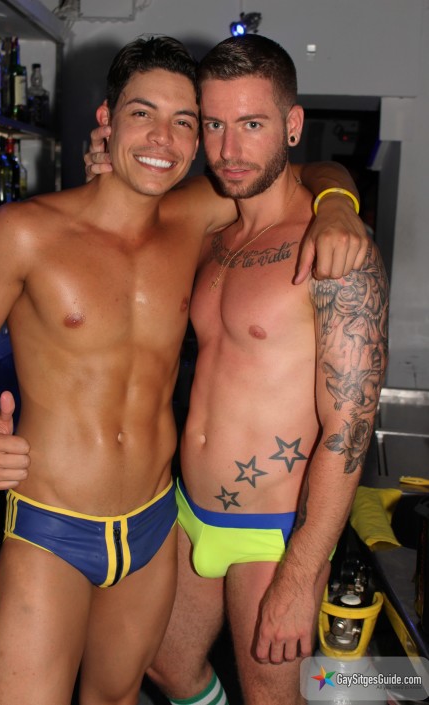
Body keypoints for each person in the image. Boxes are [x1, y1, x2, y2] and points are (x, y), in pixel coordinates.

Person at [0, 37, 367, 705]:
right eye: (143, 114)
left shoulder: (194, 217)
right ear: (106, 119)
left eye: (185, 121)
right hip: (51, 525)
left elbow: (304, 172)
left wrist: (338, 204)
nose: (163, 138)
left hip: (154, 525)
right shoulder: (23, 232)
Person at [86, 36, 389, 705]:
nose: (230, 149)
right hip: (189, 510)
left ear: (292, 124)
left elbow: (350, 428)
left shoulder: (334, 250)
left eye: (252, 124)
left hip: (273, 530)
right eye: (215, 125)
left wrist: (302, 569)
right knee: (166, 667)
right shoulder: (213, 234)